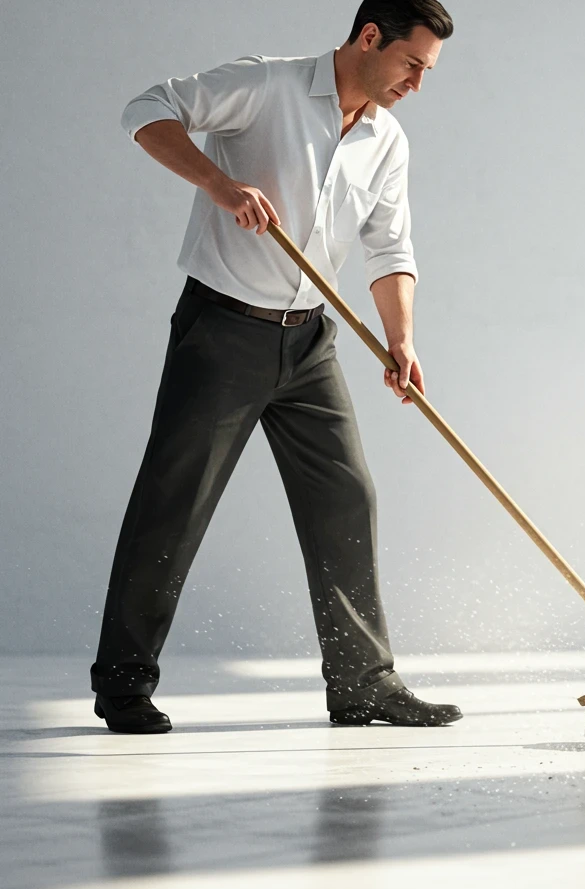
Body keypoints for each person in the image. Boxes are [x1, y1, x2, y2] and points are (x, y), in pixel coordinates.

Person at [91, 0, 461, 734]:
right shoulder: (268, 86)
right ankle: (123, 684)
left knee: (347, 499)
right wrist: (221, 185)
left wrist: (401, 340)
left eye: (427, 72)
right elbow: (145, 109)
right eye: (412, 64)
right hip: (223, 329)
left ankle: (362, 684)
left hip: (310, 343)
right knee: (175, 501)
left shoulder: (387, 140)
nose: (417, 84)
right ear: (369, 37)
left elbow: (391, 249)